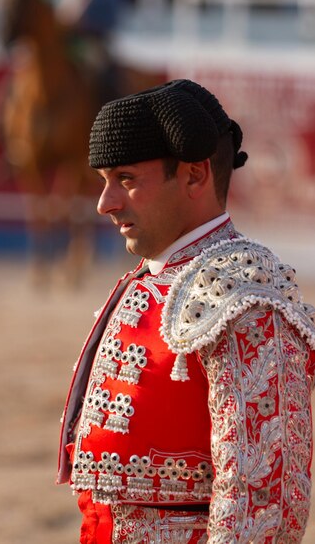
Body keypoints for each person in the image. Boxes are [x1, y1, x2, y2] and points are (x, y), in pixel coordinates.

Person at [57, 79, 315, 543]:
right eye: (104, 181)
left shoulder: (245, 296)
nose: (105, 203)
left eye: (127, 179)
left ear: (195, 175)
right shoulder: (157, 277)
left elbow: (262, 503)